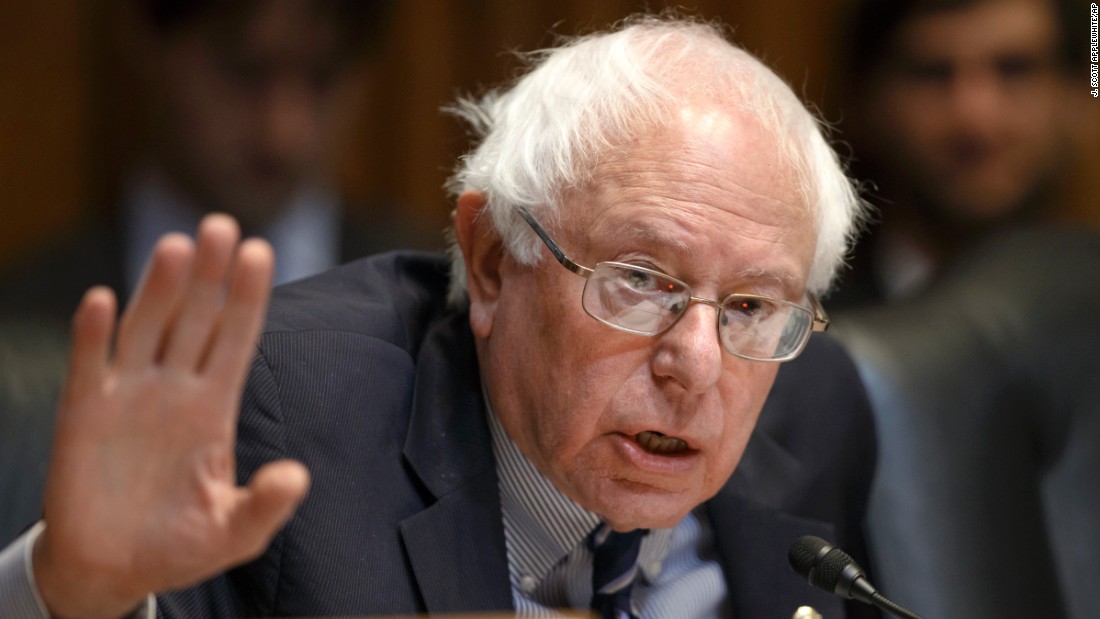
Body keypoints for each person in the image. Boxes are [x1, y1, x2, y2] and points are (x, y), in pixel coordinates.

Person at [0, 16, 878, 618]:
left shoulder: (814, 403)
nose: (696, 360)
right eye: (641, 279)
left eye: (754, 305)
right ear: (494, 260)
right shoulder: (288, 413)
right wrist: (73, 593)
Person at [0, 0, 426, 321]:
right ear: (148, 40)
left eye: (323, 78)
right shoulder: (20, 325)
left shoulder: (438, 302)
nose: (282, 133)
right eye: (244, 72)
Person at [827, 0, 1082, 308]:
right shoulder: (803, 325)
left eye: (1015, 70)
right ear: (868, 98)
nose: (975, 120)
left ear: (1081, 98)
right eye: (931, 74)